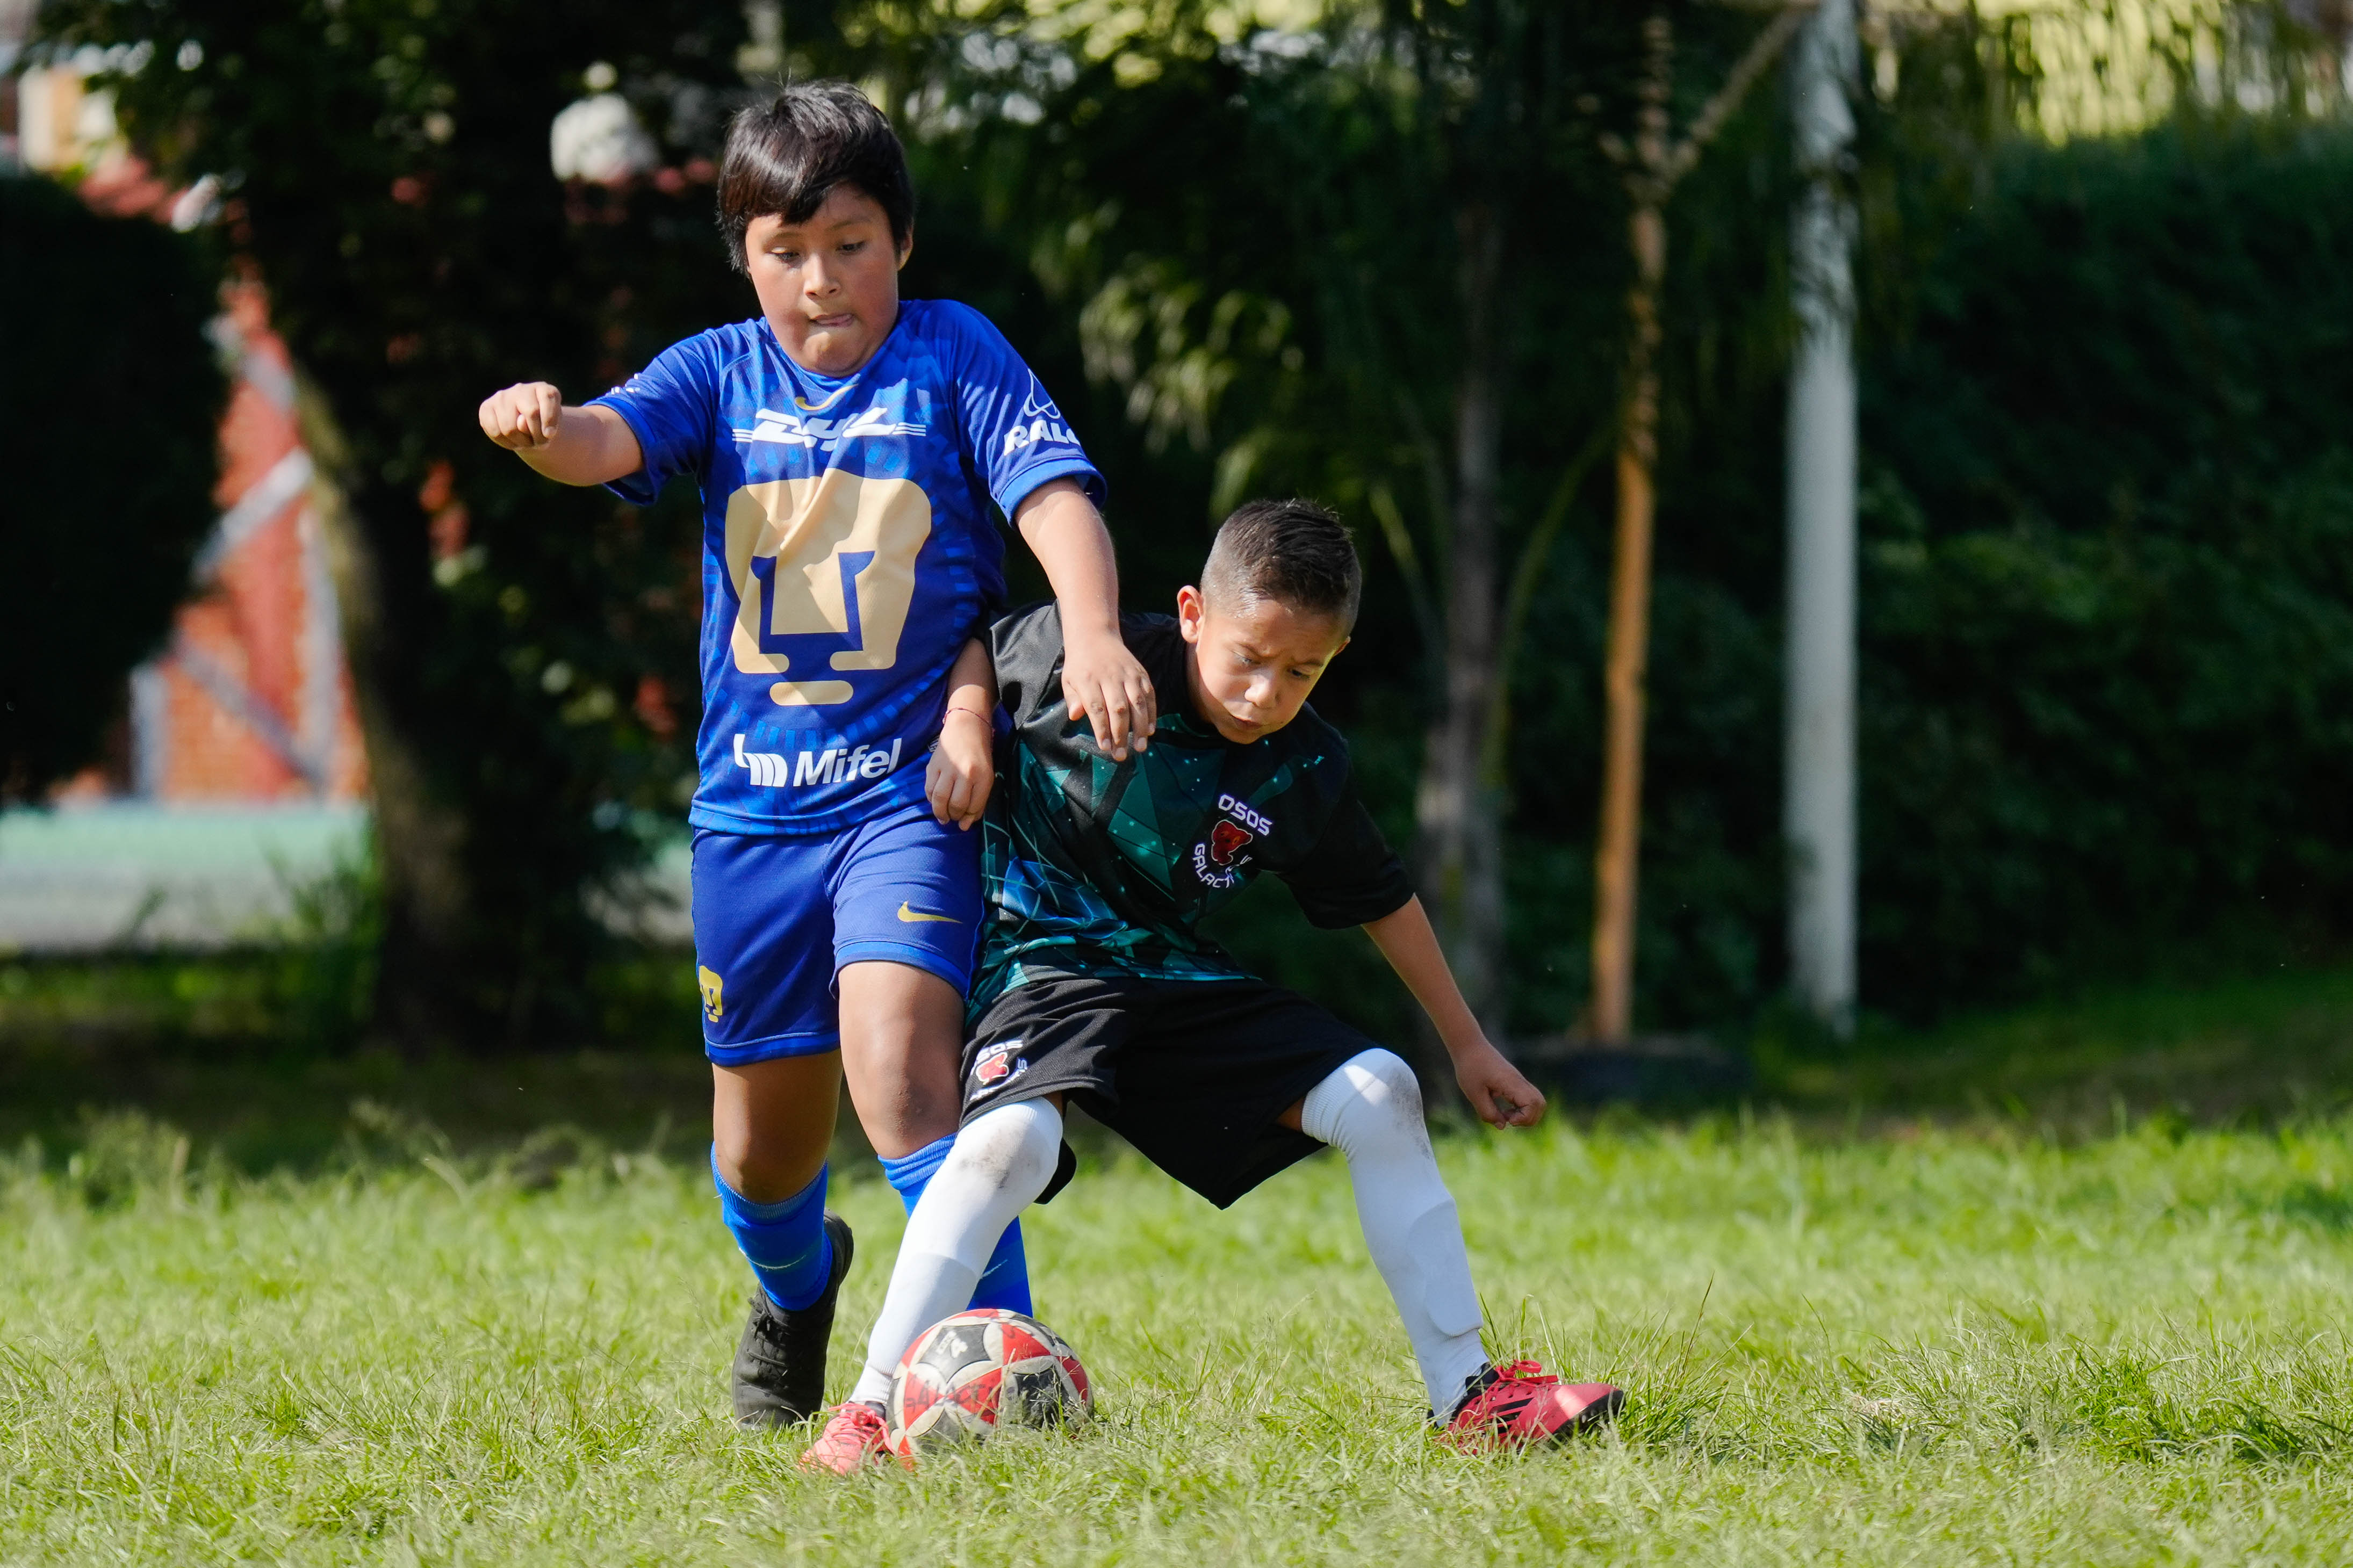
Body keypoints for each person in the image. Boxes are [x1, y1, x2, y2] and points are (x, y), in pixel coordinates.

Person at [474, 82, 1155, 1429]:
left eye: (850, 244)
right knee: (760, 1153)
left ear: (901, 240)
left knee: (904, 1078)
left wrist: (1090, 633)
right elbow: (611, 437)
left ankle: (1003, 1379)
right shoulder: (719, 370)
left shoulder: (954, 353)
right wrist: (545, 430)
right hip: (750, 823)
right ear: (745, 258)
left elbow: (1053, 494)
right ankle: (797, 1291)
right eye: (786, 251)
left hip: (907, 799)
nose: (821, 279)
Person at [801, 498, 1623, 1471]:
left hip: (1171, 976)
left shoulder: (1303, 765)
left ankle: (1472, 1397)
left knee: (1381, 1092)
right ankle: (869, 1411)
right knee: (1010, 1147)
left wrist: (1468, 1044)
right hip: (1037, 966)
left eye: (1302, 671)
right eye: (1249, 657)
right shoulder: (1094, 655)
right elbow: (974, 641)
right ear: (1193, 613)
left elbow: (1381, 897)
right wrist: (970, 724)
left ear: (1337, 655)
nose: (1267, 692)